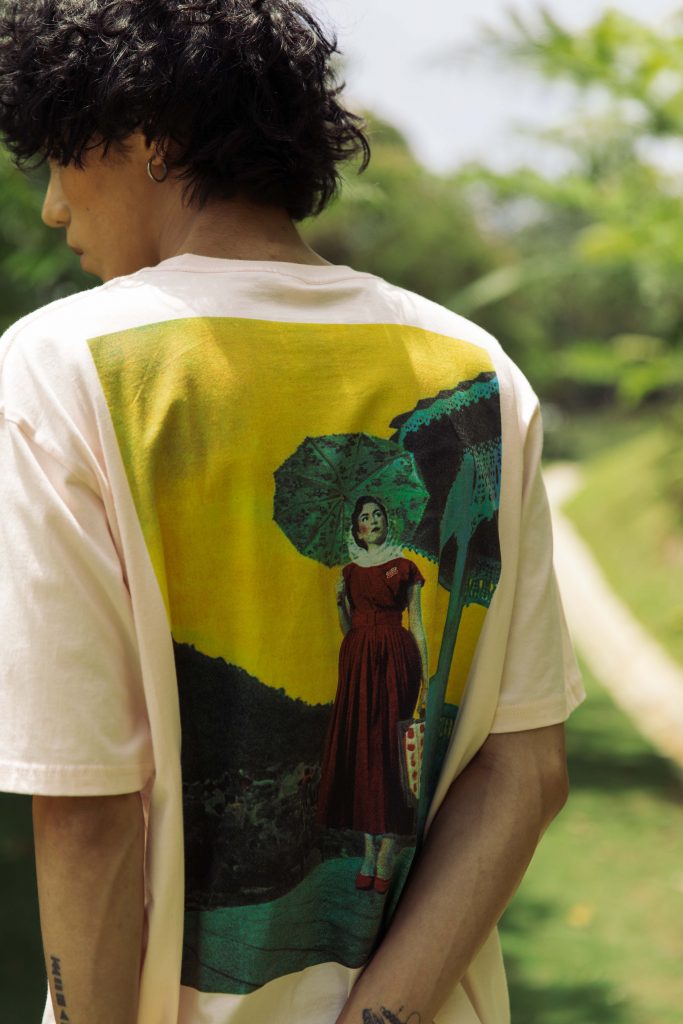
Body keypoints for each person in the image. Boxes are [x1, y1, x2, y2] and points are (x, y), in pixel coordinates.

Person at [0, 3, 585, 1024]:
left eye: (61, 155)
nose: (53, 207)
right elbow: (524, 770)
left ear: (148, 135)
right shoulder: (479, 372)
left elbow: (89, 807)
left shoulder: (61, 368)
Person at [316, 497, 428, 892]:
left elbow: (416, 625)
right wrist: (338, 604)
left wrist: (426, 680)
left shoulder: (404, 567)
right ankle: (368, 849)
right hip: (358, 664)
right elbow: (350, 629)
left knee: (389, 750)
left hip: (396, 659)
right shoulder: (348, 574)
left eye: (378, 513)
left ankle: (388, 848)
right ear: (357, 530)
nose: (373, 520)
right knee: (363, 750)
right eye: (365, 517)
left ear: (386, 520)